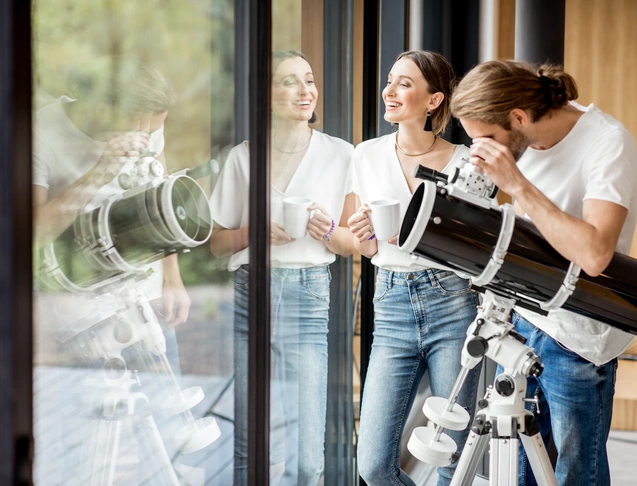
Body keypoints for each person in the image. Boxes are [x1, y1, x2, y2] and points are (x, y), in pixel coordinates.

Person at [450, 59, 637, 486]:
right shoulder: (519, 143)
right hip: (520, 323)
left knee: (576, 474)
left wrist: (516, 183)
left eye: (487, 137)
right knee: (518, 472)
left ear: (518, 116)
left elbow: (595, 254)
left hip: (578, 337)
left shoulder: (607, 143)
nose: (483, 147)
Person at [32, 56, 191, 483]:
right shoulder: (41, 132)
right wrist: (99, 167)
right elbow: (33, 232)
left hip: (144, 300)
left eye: (153, 128)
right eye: (141, 127)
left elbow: (153, 193)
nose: (148, 137)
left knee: (173, 436)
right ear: (105, 108)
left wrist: (171, 278)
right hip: (80, 313)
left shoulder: (149, 123)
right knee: (82, 442)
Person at [209, 50, 355, 486]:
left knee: (308, 458)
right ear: (267, 95)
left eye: (308, 80)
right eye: (289, 81)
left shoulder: (341, 155)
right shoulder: (242, 157)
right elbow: (217, 245)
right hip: (249, 293)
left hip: (308, 294)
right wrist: (251, 233)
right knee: (247, 446)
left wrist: (325, 228)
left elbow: (354, 245)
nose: (305, 90)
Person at [350, 50, 482, 486]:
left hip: (452, 303)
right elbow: (364, 247)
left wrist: (412, 233)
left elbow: (478, 249)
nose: (389, 91)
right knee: (372, 465)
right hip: (390, 304)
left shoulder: (466, 163)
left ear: (433, 100)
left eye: (404, 83)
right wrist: (365, 234)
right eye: (390, 81)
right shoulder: (365, 156)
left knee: (453, 459)